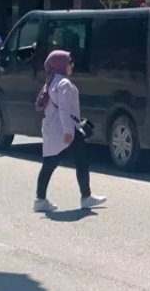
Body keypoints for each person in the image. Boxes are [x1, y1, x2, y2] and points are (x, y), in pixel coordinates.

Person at [33, 50, 106, 212]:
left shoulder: (50, 81)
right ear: (61, 65)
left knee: (49, 164)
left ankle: (40, 199)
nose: (71, 65)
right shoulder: (64, 83)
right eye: (69, 62)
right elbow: (64, 110)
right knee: (81, 161)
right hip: (65, 130)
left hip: (52, 129)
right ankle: (86, 197)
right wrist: (68, 132)